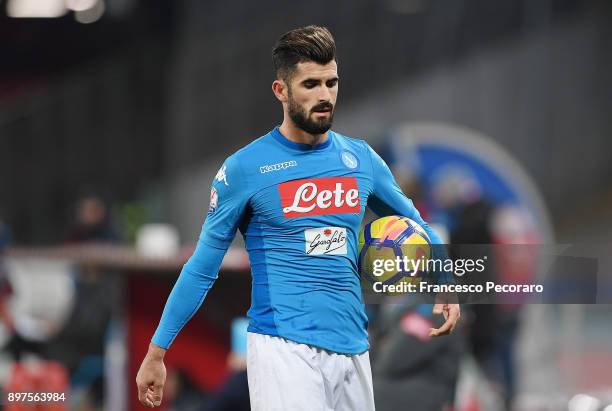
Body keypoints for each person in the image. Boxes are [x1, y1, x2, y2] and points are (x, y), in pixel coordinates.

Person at [136, 25, 460, 411]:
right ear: (281, 91)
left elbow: (418, 224)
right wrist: (158, 350)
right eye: (311, 84)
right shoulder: (245, 169)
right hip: (282, 348)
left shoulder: (361, 160)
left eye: (331, 82)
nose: (325, 95)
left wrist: (446, 281)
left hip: (354, 347)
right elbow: (202, 267)